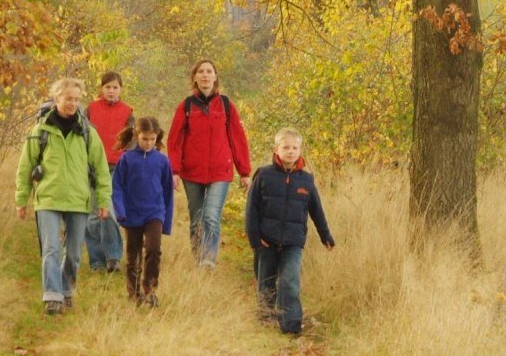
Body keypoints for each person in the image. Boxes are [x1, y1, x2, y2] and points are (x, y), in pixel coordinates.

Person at [16, 77, 113, 316]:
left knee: (73, 252)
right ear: (56, 98)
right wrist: (21, 199)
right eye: (68, 98)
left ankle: (66, 289)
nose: (72, 103)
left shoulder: (88, 132)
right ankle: (52, 295)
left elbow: (101, 169)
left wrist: (103, 200)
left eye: (77, 100)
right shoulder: (40, 131)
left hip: (78, 200)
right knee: (51, 248)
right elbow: (25, 166)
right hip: (48, 199)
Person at [245, 128, 336, 336]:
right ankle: (265, 319)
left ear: (300, 150)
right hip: (266, 240)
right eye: (285, 147)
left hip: (293, 242)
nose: (290, 151)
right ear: (276, 150)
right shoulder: (264, 175)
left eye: (295, 148)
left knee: (290, 281)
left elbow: (316, 211)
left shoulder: (306, 180)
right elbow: (252, 209)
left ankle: (291, 326)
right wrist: (255, 238)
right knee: (266, 282)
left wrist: (326, 236)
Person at [168, 59, 251, 267]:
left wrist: (244, 171)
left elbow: (238, 139)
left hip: (220, 172)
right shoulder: (186, 106)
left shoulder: (226, 105)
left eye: (209, 72)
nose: (205, 75)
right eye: (201, 72)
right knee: (197, 219)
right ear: (195, 77)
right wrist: (174, 171)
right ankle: (198, 258)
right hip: (192, 172)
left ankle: (208, 261)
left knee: (211, 216)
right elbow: (174, 140)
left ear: (215, 77)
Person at [110, 116, 173, 306]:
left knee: (154, 249)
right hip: (131, 214)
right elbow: (117, 187)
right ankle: (134, 293)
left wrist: (166, 222)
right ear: (137, 136)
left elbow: (168, 192)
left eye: (153, 139)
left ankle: (150, 289)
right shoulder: (126, 159)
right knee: (133, 255)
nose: (149, 143)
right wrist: (120, 212)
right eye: (145, 139)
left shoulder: (162, 161)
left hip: (154, 212)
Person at [86, 71, 134, 274]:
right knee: (92, 215)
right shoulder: (91, 109)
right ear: (101, 89)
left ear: (120, 89)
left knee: (109, 211)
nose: (111, 91)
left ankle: (113, 257)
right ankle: (96, 261)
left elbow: (132, 141)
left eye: (115, 87)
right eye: (108, 87)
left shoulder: (128, 111)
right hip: (91, 167)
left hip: (116, 167)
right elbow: (83, 135)